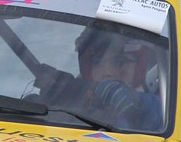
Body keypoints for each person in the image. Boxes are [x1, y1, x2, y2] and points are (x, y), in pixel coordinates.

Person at [34, 22, 162, 131]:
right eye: (96, 62)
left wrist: (136, 106)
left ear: (148, 67)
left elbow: (161, 116)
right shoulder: (71, 101)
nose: (106, 72)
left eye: (120, 62)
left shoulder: (168, 111)